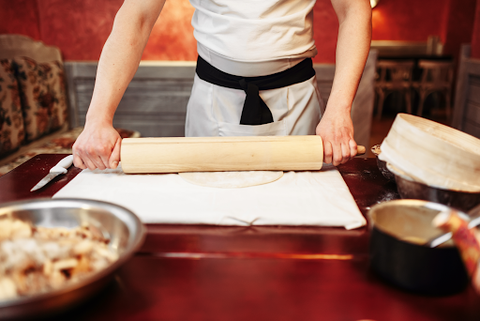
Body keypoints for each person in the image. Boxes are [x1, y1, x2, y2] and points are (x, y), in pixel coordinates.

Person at [72, 0, 372, 170]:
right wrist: (97, 118)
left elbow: (354, 10)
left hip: (296, 99)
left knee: (298, 218)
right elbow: (135, 18)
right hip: (213, 98)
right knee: (208, 216)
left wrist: (338, 111)